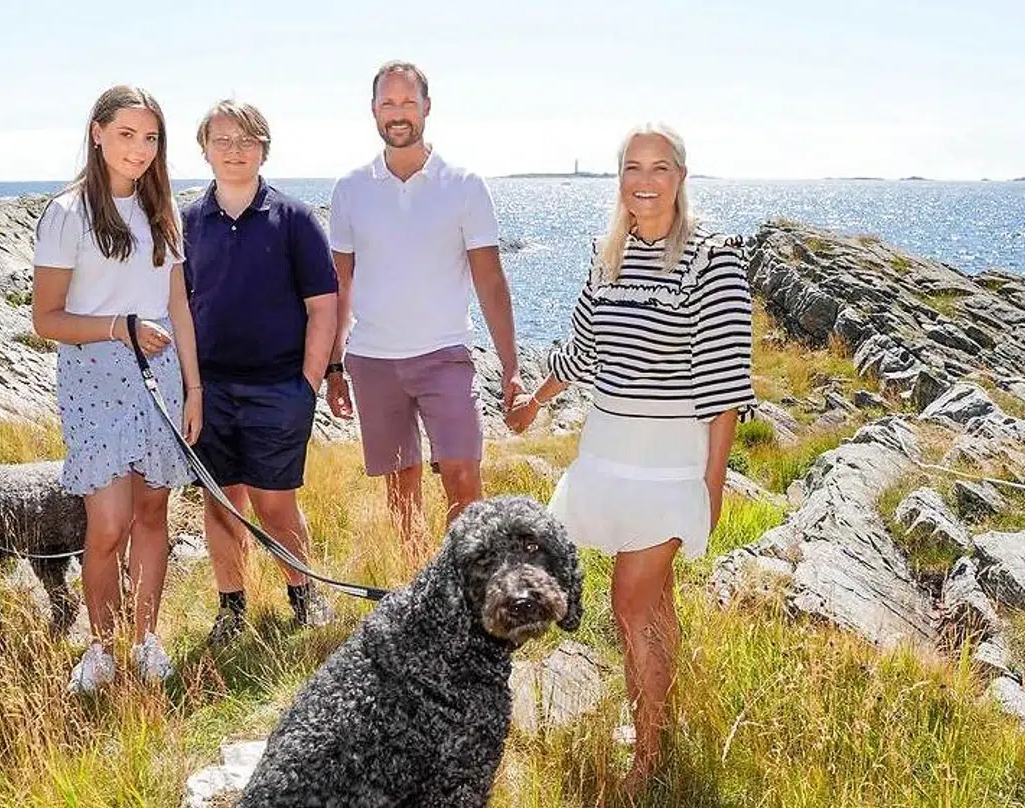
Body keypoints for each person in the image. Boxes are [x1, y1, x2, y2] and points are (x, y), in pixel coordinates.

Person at [505, 123, 756, 791]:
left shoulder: (713, 258)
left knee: (628, 601)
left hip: (671, 462)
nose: (645, 181)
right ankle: (660, 729)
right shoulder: (606, 251)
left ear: (681, 176)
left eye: (660, 167)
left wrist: (712, 483)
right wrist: (536, 395)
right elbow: (585, 346)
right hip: (606, 453)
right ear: (620, 178)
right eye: (633, 168)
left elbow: (727, 383)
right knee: (654, 603)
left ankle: (644, 764)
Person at [31, 85, 202, 693]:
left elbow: (179, 306)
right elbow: (45, 318)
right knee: (108, 524)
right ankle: (100, 648)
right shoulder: (67, 214)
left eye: (150, 137)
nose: (139, 149)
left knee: (154, 511)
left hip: (160, 377)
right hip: (93, 378)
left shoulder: (165, 211)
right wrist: (119, 328)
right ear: (97, 133)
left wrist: (195, 386)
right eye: (126, 135)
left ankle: (146, 640)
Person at [326, 60, 522, 557]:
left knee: (462, 475)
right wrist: (333, 367)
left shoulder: (464, 185)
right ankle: (418, 587)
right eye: (388, 103)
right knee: (401, 483)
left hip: (445, 356)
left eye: (407, 102)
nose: (398, 113)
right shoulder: (350, 190)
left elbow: (491, 281)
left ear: (427, 108)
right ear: (373, 110)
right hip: (373, 360)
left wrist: (512, 367)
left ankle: (468, 588)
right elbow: (339, 286)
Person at [181, 100, 339, 646]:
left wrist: (307, 386)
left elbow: (324, 306)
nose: (233, 151)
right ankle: (231, 608)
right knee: (222, 502)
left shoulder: (294, 218)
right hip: (209, 389)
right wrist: (190, 388)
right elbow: (177, 308)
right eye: (221, 140)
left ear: (264, 149)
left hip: (280, 388)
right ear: (204, 150)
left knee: (275, 503)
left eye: (245, 140)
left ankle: (304, 594)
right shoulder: (187, 223)